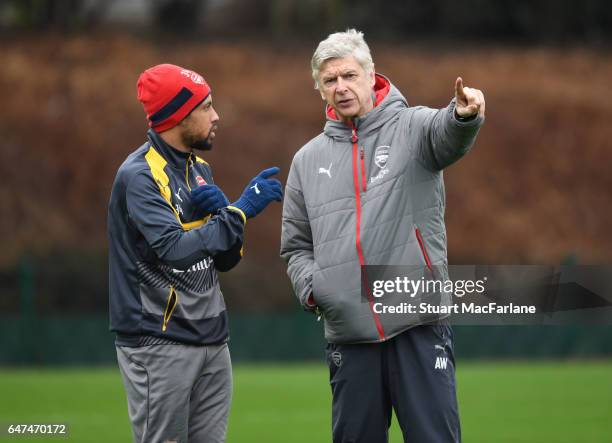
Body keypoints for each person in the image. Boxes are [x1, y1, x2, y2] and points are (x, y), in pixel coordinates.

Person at [281, 30, 485, 442]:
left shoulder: (412, 127)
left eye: (349, 75)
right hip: (349, 335)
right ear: (320, 89)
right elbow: (296, 246)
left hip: (418, 325)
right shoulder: (306, 161)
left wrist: (464, 116)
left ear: (371, 74)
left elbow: (447, 134)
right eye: (330, 80)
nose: (341, 87)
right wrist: (315, 289)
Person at [108, 63, 282, 443]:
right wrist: (239, 211)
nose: (216, 116)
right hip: (159, 342)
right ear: (177, 116)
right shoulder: (138, 176)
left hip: (213, 340)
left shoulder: (200, 168)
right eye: (206, 107)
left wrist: (225, 216)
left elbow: (225, 259)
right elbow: (175, 250)